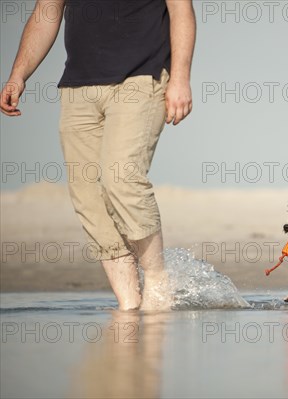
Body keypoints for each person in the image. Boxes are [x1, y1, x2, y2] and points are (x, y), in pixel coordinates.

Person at [0, 0, 196, 310]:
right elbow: (46, 13)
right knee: (88, 196)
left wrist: (181, 77)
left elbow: (181, 10)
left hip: (140, 79)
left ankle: (159, 282)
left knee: (122, 177)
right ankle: (129, 305)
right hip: (78, 87)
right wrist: (17, 75)